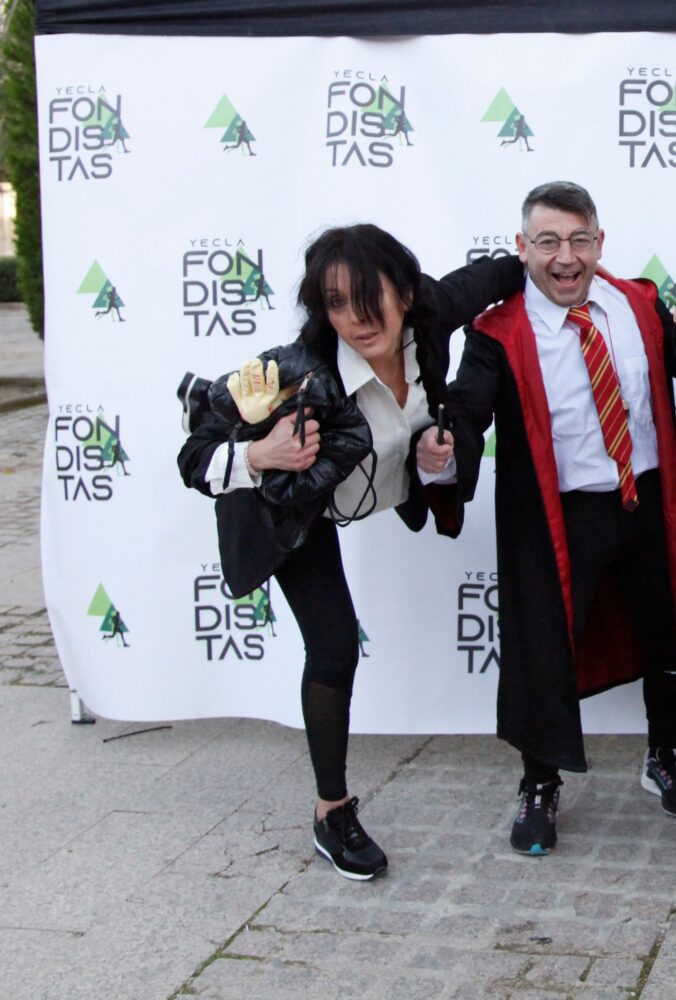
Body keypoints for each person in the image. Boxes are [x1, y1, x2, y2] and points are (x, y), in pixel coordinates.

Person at [178, 225, 523, 881]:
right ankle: (331, 813)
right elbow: (194, 456)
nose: (358, 319)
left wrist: (544, 259)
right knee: (334, 646)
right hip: (292, 510)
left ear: (406, 293)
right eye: (336, 303)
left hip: (362, 487)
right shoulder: (296, 372)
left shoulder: (431, 316)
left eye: (371, 298)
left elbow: (495, 276)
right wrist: (260, 454)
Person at [444, 181, 676, 858]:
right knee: (545, 647)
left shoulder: (638, 304)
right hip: (559, 513)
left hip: (644, 498)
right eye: (548, 242)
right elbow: (466, 412)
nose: (565, 257)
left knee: (663, 633)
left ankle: (664, 755)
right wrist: (441, 450)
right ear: (521, 247)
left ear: (599, 242)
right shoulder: (498, 333)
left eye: (578, 240)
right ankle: (539, 782)